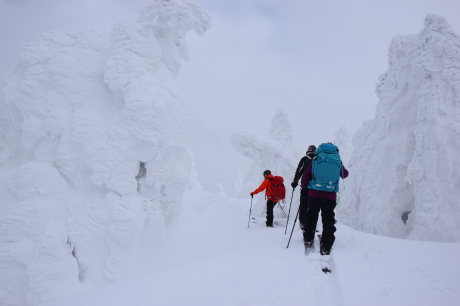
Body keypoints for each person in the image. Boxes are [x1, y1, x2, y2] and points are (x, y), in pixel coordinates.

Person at [300, 143, 349, 255]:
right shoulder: (337, 161)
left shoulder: (316, 160)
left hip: (314, 194)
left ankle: (308, 240)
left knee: (311, 216)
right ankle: (326, 245)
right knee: (328, 220)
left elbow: (306, 176)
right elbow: (345, 174)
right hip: (330, 195)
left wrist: (304, 189)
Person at [291, 145, 317, 236]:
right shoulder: (319, 159)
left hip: (305, 187)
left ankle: (303, 223)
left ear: (308, 151)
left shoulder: (305, 159)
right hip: (316, 187)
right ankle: (313, 224)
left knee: (303, 205)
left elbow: (299, 171)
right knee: (314, 206)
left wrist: (295, 182)